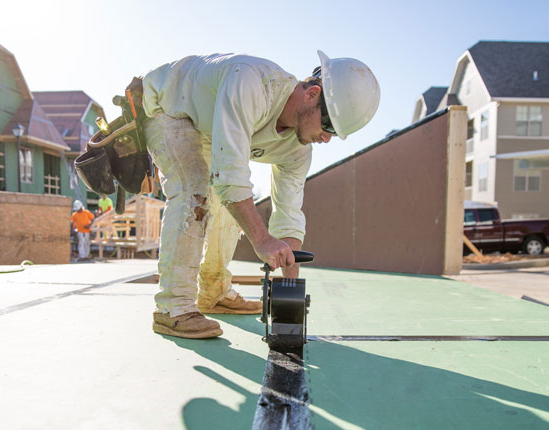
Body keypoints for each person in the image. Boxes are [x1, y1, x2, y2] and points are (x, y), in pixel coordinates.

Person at [140, 51, 380, 339]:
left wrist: (289, 292)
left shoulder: (298, 151)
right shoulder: (252, 82)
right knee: (195, 191)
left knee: (236, 204)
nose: (327, 138)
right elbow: (229, 174)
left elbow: (288, 212)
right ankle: (172, 308)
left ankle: (214, 291)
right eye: (328, 126)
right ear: (312, 94)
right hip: (171, 107)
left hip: (209, 124)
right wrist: (262, 239)